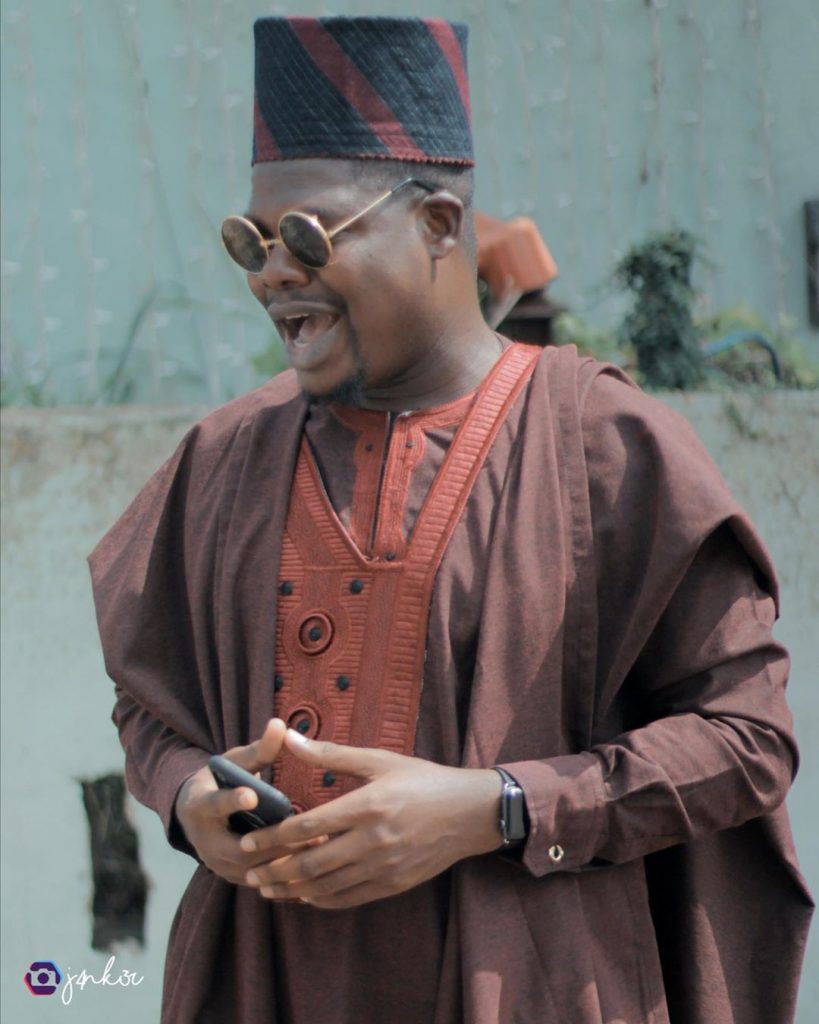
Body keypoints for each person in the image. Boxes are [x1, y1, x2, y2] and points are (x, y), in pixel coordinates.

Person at [89, 15, 812, 1024]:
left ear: (436, 224)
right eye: (251, 240)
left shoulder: (600, 444)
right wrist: (184, 797)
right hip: (266, 987)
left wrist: (497, 808)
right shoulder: (223, 459)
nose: (271, 272)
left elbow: (746, 740)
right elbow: (148, 702)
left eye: (308, 235)